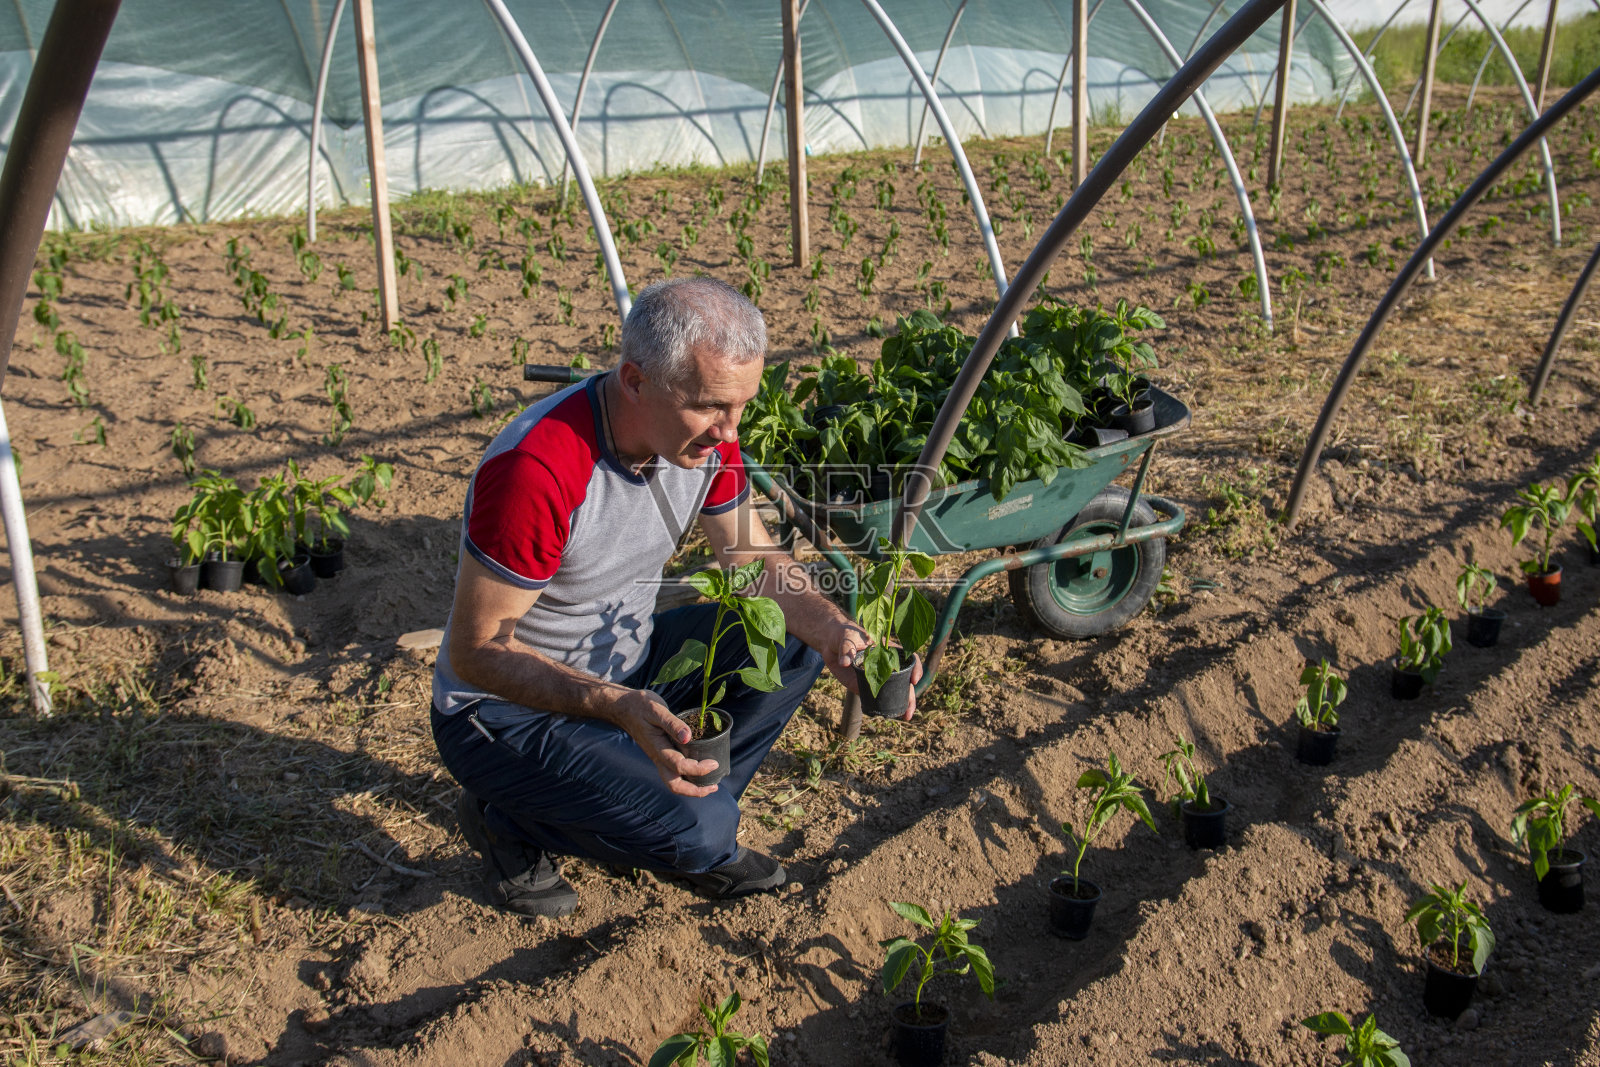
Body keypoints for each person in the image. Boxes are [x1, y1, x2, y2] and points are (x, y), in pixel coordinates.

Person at [431, 276, 916, 918]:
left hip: (628, 664)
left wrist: (833, 632)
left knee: (792, 641)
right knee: (702, 835)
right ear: (636, 381)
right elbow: (477, 652)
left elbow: (752, 559)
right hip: (504, 711)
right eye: (712, 405)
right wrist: (615, 704)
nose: (729, 430)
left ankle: (677, 811)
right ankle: (509, 818)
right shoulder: (538, 469)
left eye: (741, 404)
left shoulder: (705, 440)